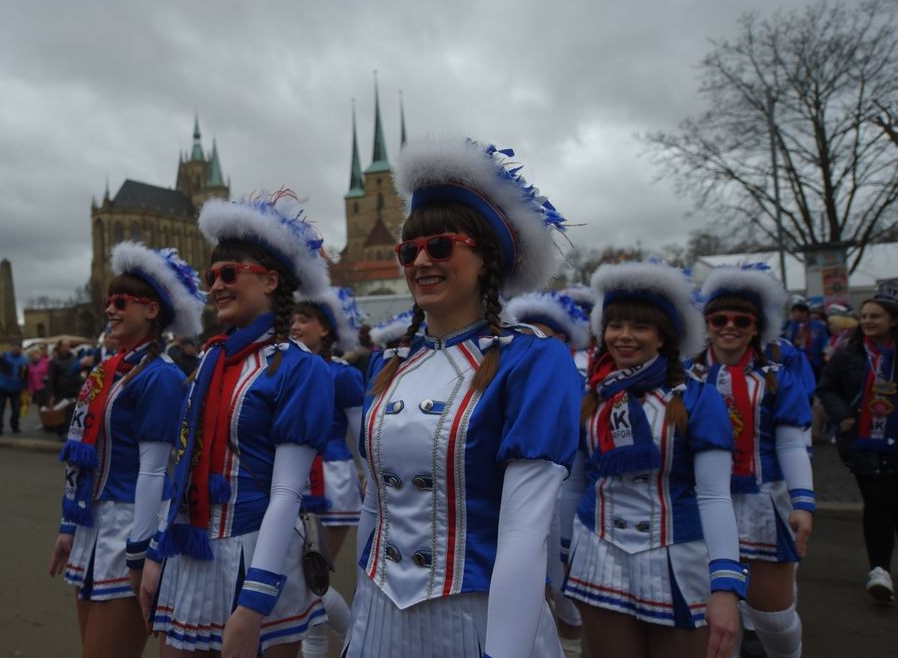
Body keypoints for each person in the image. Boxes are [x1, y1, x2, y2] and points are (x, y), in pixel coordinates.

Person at [345, 140, 580, 658]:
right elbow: (374, 505)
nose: (422, 261)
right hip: (379, 615)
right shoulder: (386, 363)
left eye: (441, 247)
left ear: (486, 257)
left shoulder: (533, 362)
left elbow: (524, 533)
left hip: (478, 617)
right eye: (410, 251)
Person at [138, 190, 335, 657]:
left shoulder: (299, 367)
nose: (217, 285)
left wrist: (254, 603)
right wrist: (154, 553)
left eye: (229, 274)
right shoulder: (210, 359)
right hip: (192, 552)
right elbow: (185, 461)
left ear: (270, 281)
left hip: (258, 557)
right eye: (211, 276)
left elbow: (288, 493)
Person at [561, 261, 744, 658]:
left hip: (677, 561)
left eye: (639, 327)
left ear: (663, 337)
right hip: (599, 555)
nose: (624, 337)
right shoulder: (590, 396)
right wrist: (560, 555)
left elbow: (715, 496)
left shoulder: (698, 398)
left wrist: (725, 586)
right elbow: (575, 484)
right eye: (615, 326)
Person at [48, 242, 204, 658]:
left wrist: (140, 552)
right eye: (108, 302)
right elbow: (84, 449)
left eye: (120, 302)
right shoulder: (107, 370)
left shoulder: (162, 377)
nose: (110, 310)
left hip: (129, 529)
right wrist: (69, 526)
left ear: (152, 311)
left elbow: (155, 471)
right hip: (91, 528)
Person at [689, 264, 813, 658]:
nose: (730, 326)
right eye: (719, 318)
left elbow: (791, 446)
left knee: (772, 616)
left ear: (757, 326)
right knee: (716, 621)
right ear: (706, 322)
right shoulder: (684, 379)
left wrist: (804, 503)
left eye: (741, 319)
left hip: (763, 501)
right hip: (699, 502)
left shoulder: (777, 378)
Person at [503, 290, 592, 653]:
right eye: (526, 335)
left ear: (563, 342)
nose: (533, 345)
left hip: (566, 505)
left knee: (565, 592)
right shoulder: (503, 378)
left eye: (543, 336)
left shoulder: (585, 383)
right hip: (516, 507)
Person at [290, 287, 366, 658]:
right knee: (303, 585)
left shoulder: (343, 375)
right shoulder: (284, 370)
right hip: (289, 483)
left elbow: (363, 436)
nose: (294, 325)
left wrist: (372, 480)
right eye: (292, 318)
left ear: (326, 330)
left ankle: (362, 643)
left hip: (330, 481)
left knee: (310, 582)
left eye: (304, 319)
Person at [817, 283, 898, 602]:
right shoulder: (849, 354)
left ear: (893, 320)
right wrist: (842, 416)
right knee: (879, 503)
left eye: (875, 316)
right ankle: (879, 568)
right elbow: (826, 387)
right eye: (864, 315)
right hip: (863, 442)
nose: (867, 321)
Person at [786, 301, 827, 383]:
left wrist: (823, 357)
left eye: (795, 312)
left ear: (804, 312)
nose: (793, 314)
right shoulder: (791, 326)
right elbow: (788, 341)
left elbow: (824, 342)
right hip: (797, 362)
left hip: (814, 361)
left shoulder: (818, 326)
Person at [0, 342, 28, 436]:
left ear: (20, 349)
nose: (15, 349)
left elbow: (25, 375)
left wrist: (25, 388)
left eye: (17, 348)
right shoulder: (5, 355)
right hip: (2, 386)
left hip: (16, 388)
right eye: (14, 347)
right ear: (11, 348)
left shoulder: (24, 360)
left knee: (16, 410)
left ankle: (14, 425)